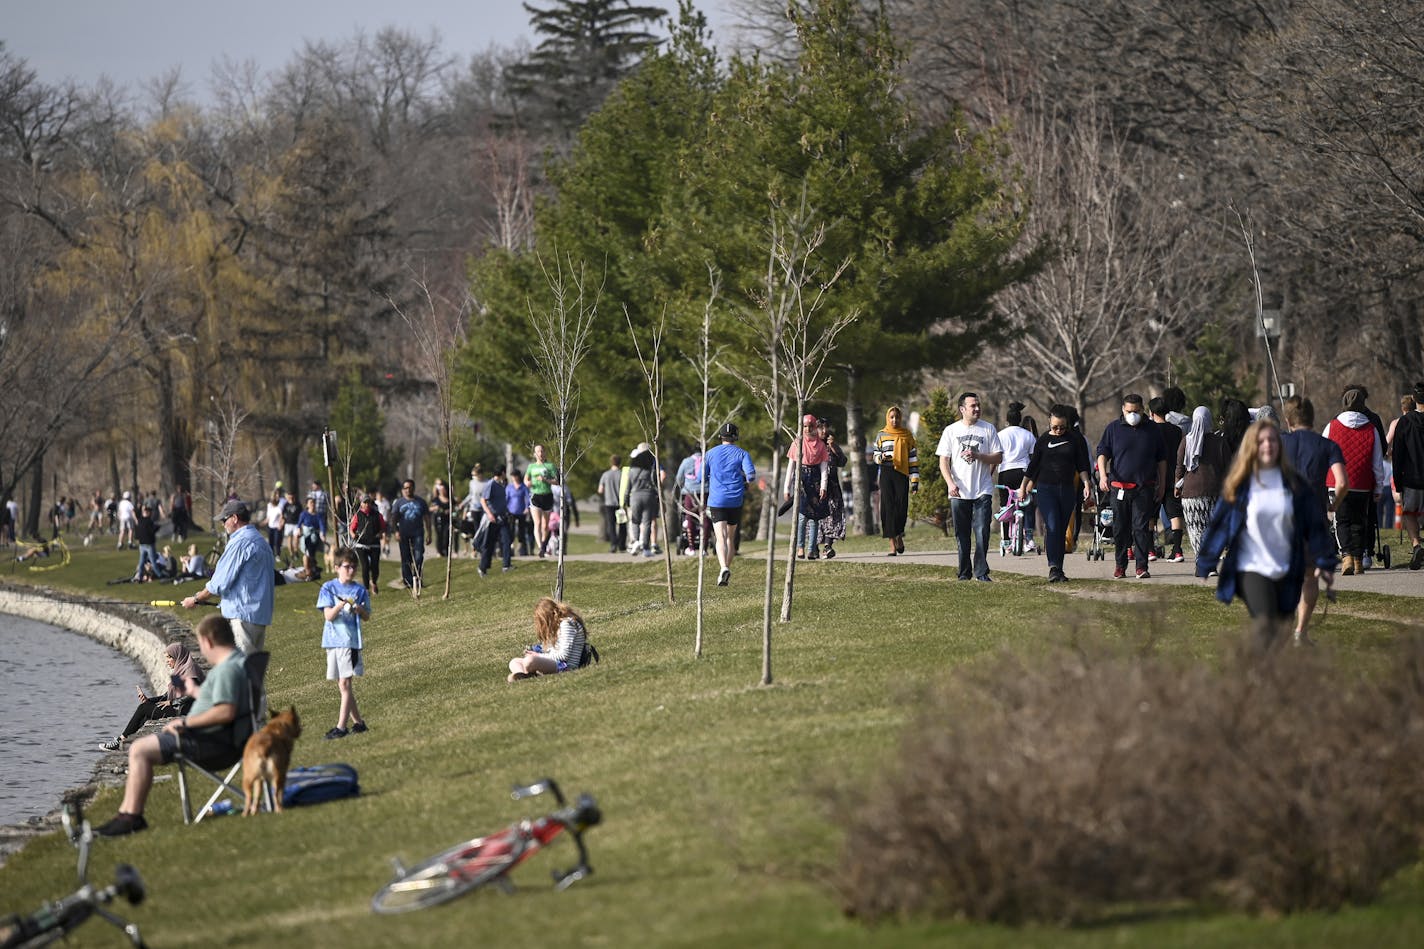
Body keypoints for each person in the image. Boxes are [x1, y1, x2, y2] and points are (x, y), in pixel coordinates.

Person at [95, 615, 251, 837]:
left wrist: (186, 722)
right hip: (220, 739)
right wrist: (195, 693)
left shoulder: (227, 669)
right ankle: (127, 816)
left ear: (207, 642)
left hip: (212, 744)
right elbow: (218, 701)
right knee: (140, 746)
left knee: (139, 749)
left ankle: (129, 817)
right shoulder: (237, 663)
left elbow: (226, 711)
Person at [1195, 420, 1338, 655]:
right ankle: (1257, 677)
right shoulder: (1240, 485)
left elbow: (1314, 524)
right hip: (1252, 566)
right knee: (1266, 621)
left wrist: (1324, 560)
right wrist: (1206, 562)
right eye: (1261, 441)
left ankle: (1269, 678)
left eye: (1272, 440)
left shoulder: (1293, 484)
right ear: (1252, 446)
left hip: (1287, 566)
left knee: (1282, 628)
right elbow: (1219, 524)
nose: (1268, 445)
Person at [1281, 396, 1348, 642]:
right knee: (1310, 576)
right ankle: (1300, 630)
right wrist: (1333, 505)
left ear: (1288, 420)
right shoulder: (1327, 445)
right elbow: (1342, 482)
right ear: (1312, 418)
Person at [181, 499, 275, 658]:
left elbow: (219, 583)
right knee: (252, 674)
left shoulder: (240, 542)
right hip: (259, 616)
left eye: (225, 520)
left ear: (235, 518)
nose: (223, 524)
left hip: (242, 618)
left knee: (239, 673)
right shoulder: (261, 541)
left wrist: (196, 598)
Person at [1096, 393, 1168, 579]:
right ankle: (1120, 565)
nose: (1132, 415)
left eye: (1136, 411)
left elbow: (1161, 459)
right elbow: (1103, 453)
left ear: (1143, 410)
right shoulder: (1113, 429)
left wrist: (1162, 484)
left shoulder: (1152, 429)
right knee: (1120, 528)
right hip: (1118, 487)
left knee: (1141, 528)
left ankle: (1141, 566)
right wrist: (1103, 476)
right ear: (1123, 410)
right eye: (1129, 411)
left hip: (1144, 487)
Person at [1020, 405, 1093, 582]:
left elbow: (1082, 465)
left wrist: (1086, 484)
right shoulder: (1043, 440)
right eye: (1055, 427)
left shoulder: (1074, 440)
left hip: (1067, 489)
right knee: (1052, 525)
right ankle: (1053, 566)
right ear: (1049, 422)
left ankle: (1058, 569)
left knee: (1060, 529)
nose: (1058, 430)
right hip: (1046, 489)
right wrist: (1023, 487)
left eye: (1062, 427)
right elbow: (1033, 466)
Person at [937, 392, 1004, 581]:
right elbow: (944, 461)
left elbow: (998, 457)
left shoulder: (988, 429)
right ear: (962, 409)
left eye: (978, 405)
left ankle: (981, 572)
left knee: (982, 532)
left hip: (982, 490)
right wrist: (950, 484)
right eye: (973, 406)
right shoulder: (951, 431)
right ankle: (964, 573)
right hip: (958, 491)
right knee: (962, 534)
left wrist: (980, 458)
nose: (977, 409)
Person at [1324, 387, 1386, 575]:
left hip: (1337, 482)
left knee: (1341, 521)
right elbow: (1377, 461)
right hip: (1362, 482)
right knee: (1360, 521)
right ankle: (1359, 559)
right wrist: (1378, 486)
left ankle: (1347, 556)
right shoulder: (1371, 428)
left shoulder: (1332, 425)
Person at [100, 642, 206, 751]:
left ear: (178, 656)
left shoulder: (190, 670)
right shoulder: (179, 671)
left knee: (143, 709)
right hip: (178, 707)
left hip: (183, 710)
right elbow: (167, 695)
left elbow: (193, 693)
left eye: (169, 658)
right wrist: (149, 700)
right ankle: (127, 743)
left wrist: (172, 702)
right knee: (145, 710)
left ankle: (121, 740)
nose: (167, 661)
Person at [317, 549, 371, 739]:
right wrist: (340, 605)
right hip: (332, 641)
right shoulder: (327, 587)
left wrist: (358, 609)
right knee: (342, 686)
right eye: (347, 567)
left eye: (354, 567)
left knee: (345, 682)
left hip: (350, 642)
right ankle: (359, 723)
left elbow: (367, 616)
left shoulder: (360, 591)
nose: (351, 570)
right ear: (337, 567)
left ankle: (341, 727)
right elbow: (328, 616)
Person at [704, 422, 756, 586]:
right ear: (735, 437)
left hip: (717, 500)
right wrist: (745, 481)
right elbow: (752, 476)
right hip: (735, 500)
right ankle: (724, 571)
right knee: (730, 538)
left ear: (720, 437)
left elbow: (701, 477)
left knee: (720, 537)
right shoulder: (742, 454)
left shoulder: (710, 453)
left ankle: (723, 567)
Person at [1177, 406, 1233, 558]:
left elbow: (1180, 467)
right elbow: (1228, 468)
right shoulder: (1220, 442)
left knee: (1196, 529)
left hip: (1191, 493)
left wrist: (1177, 484)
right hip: (1214, 491)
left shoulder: (1186, 441)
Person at [871, 406, 919, 556]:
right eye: (891, 417)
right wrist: (881, 458)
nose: (894, 420)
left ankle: (899, 534)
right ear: (887, 418)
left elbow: (913, 459)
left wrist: (915, 481)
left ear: (900, 418)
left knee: (901, 507)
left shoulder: (907, 435)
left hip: (901, 473)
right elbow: (875, 454)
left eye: (897, 417)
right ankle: (892, 544)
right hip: (886, 472)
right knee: (888, 507)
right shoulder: (881, 435)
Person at [508, 597, 589, 682]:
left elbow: (564, 655)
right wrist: (536, 650)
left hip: (565, 666)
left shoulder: (567, 624)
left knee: (529, 661)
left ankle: (527, 674)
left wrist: (538, 656)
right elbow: (551, 650)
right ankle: (523, 675)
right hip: (555, 662)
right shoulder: (557, 625)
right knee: (514, 662)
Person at [1387, 384, 1424, 570]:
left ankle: (1416, 544)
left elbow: (1398, 455)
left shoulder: (1405, 422)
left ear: (1415, 401)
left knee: (1409, 513)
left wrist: (1398, 482)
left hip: (1412, 478)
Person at [784, 414, 830, 560]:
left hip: (815, 480)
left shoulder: (821, 445)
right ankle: (800, 548)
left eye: (811, 426)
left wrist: (823, 487)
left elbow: (824, 468)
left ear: (815, 427)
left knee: (815, 518)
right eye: (805, 426)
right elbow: (791, 467)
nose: (808, 429)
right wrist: (787, 488)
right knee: (802, 516)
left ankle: (811, 550)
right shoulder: (797, 443)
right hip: (801, 480)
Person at [996, 401, 1038, 554]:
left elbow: (996, 456)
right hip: (1023, 473)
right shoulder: (1028, 435)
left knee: (1005, 507)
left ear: (1007, 420)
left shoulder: (1000, 435)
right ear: (1020, 420)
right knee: (1027, 505)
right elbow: (1034, 459)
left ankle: (1006, 540)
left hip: (1005, 473)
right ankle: (1029, 536)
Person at [1149, 395, 1186, 562]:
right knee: (1175, 514)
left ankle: (1150, 550)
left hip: (1153, 479)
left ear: (1151, 412)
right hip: (1173, 478)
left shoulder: (1149, 430)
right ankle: (1177, 550)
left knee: (1150, 515)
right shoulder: (1177, 431)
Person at [388, 479, 429, 590]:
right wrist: (395, 531)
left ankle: (418, 579)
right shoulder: (399, 503)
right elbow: (393, 519)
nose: (407, 490)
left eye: (409, 487)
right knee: (406, 558)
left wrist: (429, 532)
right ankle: (408, 581)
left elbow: (426, 518)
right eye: (405, 488)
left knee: (418, 556)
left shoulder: (421, 502)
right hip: (403, 533)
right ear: (402, 490)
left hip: (418, 532)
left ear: (413, 488)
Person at [818, 418, 848, 558]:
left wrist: (834, 447)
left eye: (826, 427)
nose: (824, 431)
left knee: (832, 516)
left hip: (833, 486)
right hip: (817, 486)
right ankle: (814, 546)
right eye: (821, 428)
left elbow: (842, 462)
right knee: (818, 518)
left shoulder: (832, 445)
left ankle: (828, 546)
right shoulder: (813, 444)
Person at [624, 443, 661, 557]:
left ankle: (635, 541)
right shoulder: (651, 470)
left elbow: (627, 487)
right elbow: (656, 484)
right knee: (647, 522)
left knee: (635, 521)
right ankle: (645, 548)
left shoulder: (632, 470)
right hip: (649, 497)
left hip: (635, 497)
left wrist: (626, 499)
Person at [477, 466, 514, 576]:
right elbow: (483, 500)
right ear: (502, 473)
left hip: (502, 517)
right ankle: (482, 567)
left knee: (507, 540)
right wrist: (489, 514)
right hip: (492, 519)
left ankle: (506, 565)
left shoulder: (502, 484)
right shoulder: (491, 484)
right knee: (489, 544)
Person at [526, 445, 558, 558]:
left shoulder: (550, 466)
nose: (540, 453)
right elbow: (526, 479)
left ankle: (544, 545)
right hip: (535, 496)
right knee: (538, 523)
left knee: (545, 526)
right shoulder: (531, 467)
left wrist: (546, 480)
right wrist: (527, 483)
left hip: (547, 496)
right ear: (535, 454)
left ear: (545, 453)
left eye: (542, 451)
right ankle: (540, 548)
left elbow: (557, 481)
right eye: (538, 451)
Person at [597, 455, 625, 554]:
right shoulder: (622, 474)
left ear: (611, 462)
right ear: (620, 463)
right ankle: (622, 546)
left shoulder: (605, 475)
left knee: (611, 525)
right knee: (622, 524)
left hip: (609, 504)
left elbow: (600, 490)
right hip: (620, 504)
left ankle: (613, 545)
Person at [506, 470, 533, 557]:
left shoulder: (523, 487)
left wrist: (527, 508)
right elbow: (506, 499)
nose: (514, 478)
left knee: (521, 530)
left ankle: (521, 548)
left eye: (515, 476)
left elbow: (527, 498)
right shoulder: (509, 487)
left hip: (521, 512)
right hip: (511, 511)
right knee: (511, 530)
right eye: (512, 476)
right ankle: (511, 547)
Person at [430, 479, 453, 558]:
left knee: (446, 535)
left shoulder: (450, 499)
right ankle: (439, 552)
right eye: (441, 490)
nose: (442, 491)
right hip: (438, 519)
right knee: (439, 535)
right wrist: (435, 508)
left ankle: (446, 551)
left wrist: (450, 511)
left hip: (447, 520)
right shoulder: (436, 499)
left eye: (444, 489)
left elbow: (455, 508)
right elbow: (430, 508)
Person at [264, 489, 286, 554]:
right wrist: (263, 523)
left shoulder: (281, 504)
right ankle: (271, 554)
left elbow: (282, 516)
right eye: (276, 494)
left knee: (277, 542)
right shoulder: (269, 505)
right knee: (271, 541)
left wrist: (281, 524)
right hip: (270, 526)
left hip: (277, 527)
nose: (277, 496)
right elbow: (268, 517)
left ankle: (278, 555)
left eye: (278, 494)